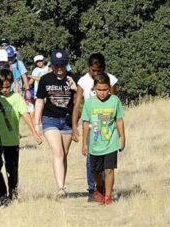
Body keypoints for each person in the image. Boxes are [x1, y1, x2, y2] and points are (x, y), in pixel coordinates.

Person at [72, 53, 120, 202]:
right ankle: (93, 189)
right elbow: (77, 104)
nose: (95, 74)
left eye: (98, 71)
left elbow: (114, 103)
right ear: (89, 68)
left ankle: (106, 191)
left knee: (107, 163)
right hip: (91, 126)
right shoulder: (83, 81)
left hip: (107, 127)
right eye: (93, 71)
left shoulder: (110, 80)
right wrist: (74, 126)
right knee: (91, 162)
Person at [0, 67, 41, 205]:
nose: (5, 90)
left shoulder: (17, 98)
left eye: (7, 87)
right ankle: (2, 195)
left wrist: (34, 132)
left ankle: (13, 194)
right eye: (2, 87)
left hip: (11, 141)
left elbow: (25, 115)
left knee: (12, 170)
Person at [33, 48, 79, 198]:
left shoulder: (73, 78)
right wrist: (36, 123)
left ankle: (62, 184)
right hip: (50, 119)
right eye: (56, 65)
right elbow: (40, 100)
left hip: (67, 121)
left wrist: (75, 88)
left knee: (64, 154)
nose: (59, 69)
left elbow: (83, 99)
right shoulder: (46, 79)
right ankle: (60, 188)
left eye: (62, 65)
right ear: (51, 66)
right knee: (58, 152)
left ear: (66, 65)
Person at [80, 73, 126, 205]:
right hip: (94, 144)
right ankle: (99, 186)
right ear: (94, 88)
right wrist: (84, 143)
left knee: (109, 169)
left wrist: (122, 137)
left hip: (111, 142)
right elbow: (86, 124)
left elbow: (119, 119)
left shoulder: (115, 101)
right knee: (96, 171)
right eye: (99, 90)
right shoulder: (89, 103)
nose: (102, 93)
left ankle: (107, 196)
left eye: (105, 89)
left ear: (109, 88)